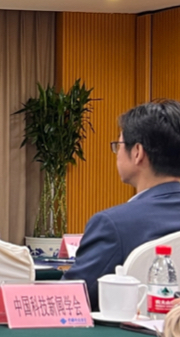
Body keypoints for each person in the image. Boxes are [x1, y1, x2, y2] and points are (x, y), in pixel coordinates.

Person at [66, 100, 180, 310]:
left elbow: (71, 299)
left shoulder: (114, 225)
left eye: (118, 145)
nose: (116, 153)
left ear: (137, 152)